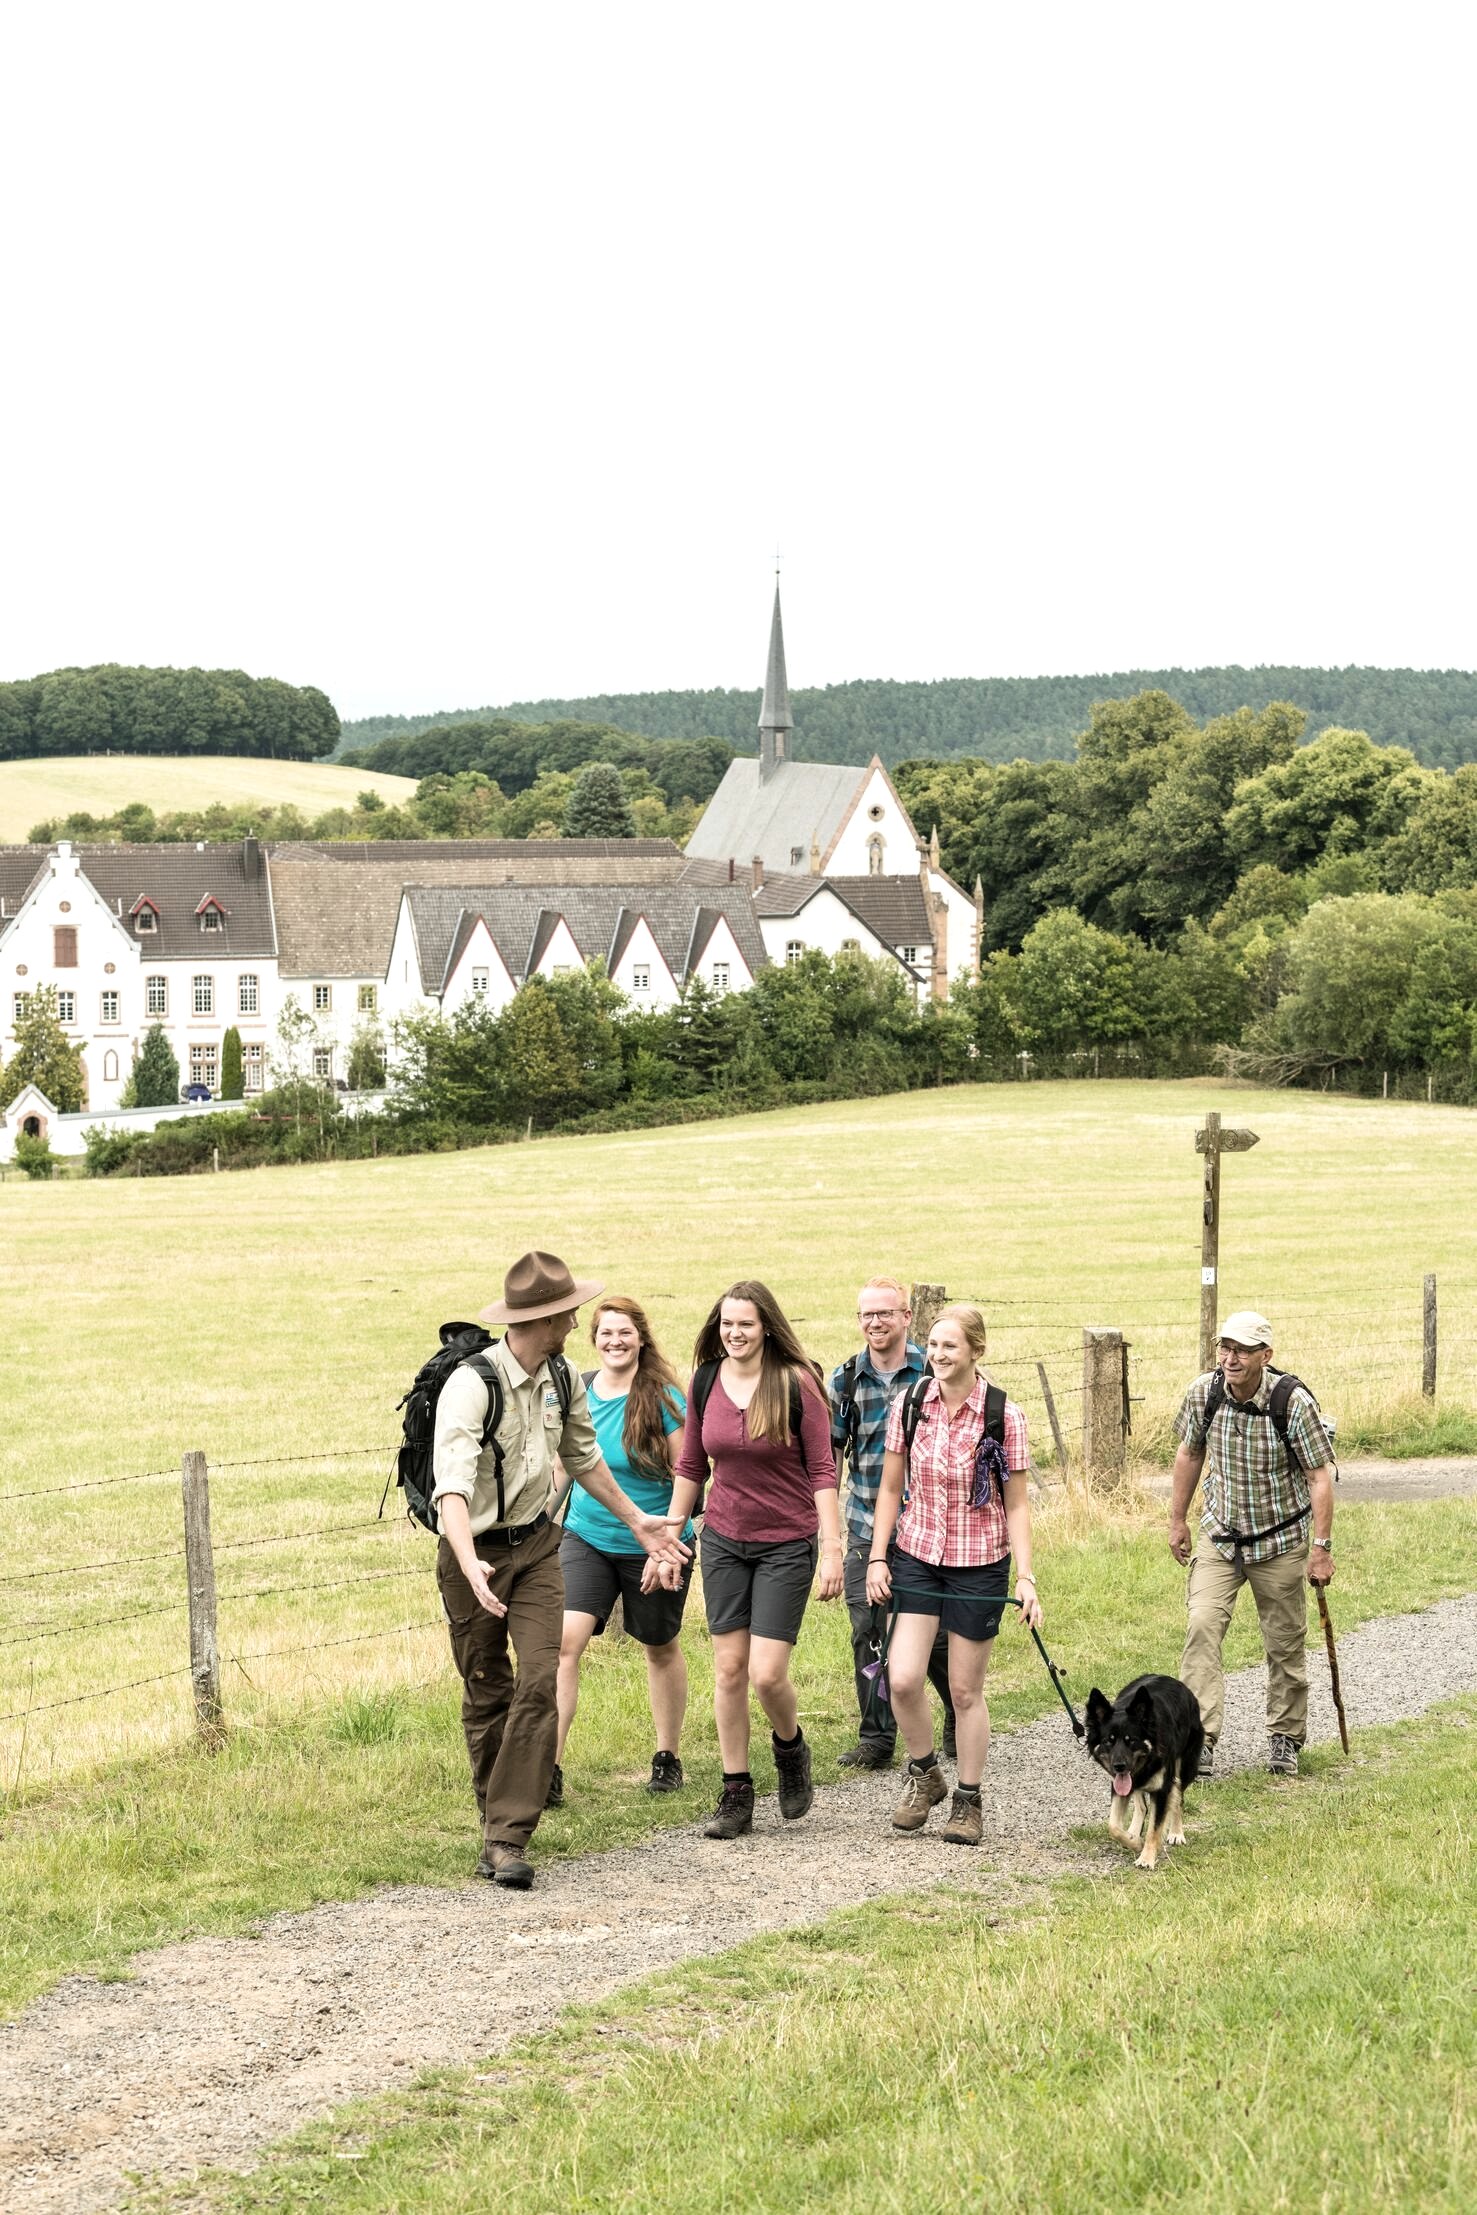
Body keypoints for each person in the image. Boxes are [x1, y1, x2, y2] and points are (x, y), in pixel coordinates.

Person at [432, 1250, 690, 1890]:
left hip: (538, 1547)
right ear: (540, 1320)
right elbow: (451, 1489)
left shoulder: (563, 1378)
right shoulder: (472, 1386)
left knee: (540, 1677)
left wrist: (638, 1521)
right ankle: (494, 1821)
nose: (577, 1323)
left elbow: (583, 1458)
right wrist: (468, 1564)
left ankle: (507, 1836)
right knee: (487, 1686)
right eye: (569, 1314)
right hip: (474, 1552)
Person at [664, 1280, 844, 1839]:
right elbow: (691, 1465)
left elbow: (822, 1469)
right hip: (723, 1538)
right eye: (726, 1323)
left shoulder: (796, 1382)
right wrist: (670, 1536)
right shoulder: (705, 1380)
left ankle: (790, 1749)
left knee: (767, 1675)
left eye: (745, 1323)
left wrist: (832, 1547)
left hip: (786, 1543)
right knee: (728, 1669)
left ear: (767, 1326)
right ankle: (736, 1792)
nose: (734, 1333)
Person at [866, 1303, 1041, 1847]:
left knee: (965, 1691)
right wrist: (877, 1557)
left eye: (950, 1346)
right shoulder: (910, 1404)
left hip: (979, 1563)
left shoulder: (1003, 1416)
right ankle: (925, 1775)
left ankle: (968, 1798)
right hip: (918, 1554)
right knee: (901, 1679)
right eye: (935, 1345)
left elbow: (1016, 1505)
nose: (938, 1355)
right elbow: (890, 1488)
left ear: (975, 1351)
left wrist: (1026, 1577)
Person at [1167, 1309, 1337, 1779]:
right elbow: (1189, 1453)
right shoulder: (1204, 1393)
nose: (1231, 1358)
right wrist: (1177, 1520)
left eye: (1242, 1350)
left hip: (1279, 1539)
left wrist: (1321, 1547)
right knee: (1202, 1626)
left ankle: (1285, 1736)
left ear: (1266, 1355)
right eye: (1225, 1347)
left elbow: (1319, 1477)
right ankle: (1198, 1740)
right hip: (1220, 1535)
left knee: (1284, 1641)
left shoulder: (1292, 1402)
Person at [551, 1294, 693, 1807]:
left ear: (640, 1339)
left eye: (624, 1332)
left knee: (658, 1645)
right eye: (606, 1333)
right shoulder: (580, 1390)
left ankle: (667, 1756)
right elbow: (565, 1466)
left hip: (657, 1541)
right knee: (564, 1645)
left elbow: (689, 1474)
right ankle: (548, 1767)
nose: (615, 1341)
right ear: (594, 1339)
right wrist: (539, 1527)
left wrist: (666, 1546)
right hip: (587, 1536)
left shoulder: (663, 1398)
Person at [830, 1277, 956, 1769]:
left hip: (927, 1527)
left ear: (906, 1317)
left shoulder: (932, 1370)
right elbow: (830, 1457)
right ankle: (877, 1738)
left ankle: (956, 1709)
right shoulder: (845, 1380)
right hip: (866, 1522)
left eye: (885, 1313)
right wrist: (830, 1532)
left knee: (936, 1635)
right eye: (867, 1314)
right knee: (868, 1629)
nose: (875, 1322)